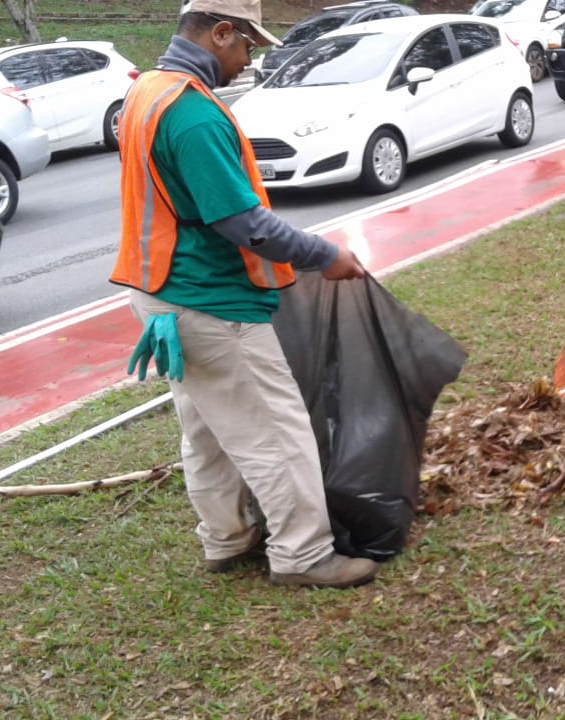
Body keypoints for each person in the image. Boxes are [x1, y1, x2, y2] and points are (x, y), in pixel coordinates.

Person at [112, 0, 378, 589]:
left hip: (160, 295)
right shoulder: (192, 114)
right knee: (273, 430)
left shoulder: (146, 90)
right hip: (210, 302)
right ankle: (304, 554)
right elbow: (243, 222)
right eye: (245, 47)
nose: (246, 61)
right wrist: (323, 255)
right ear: (220, 33)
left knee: (207, 426)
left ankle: (227, 539)